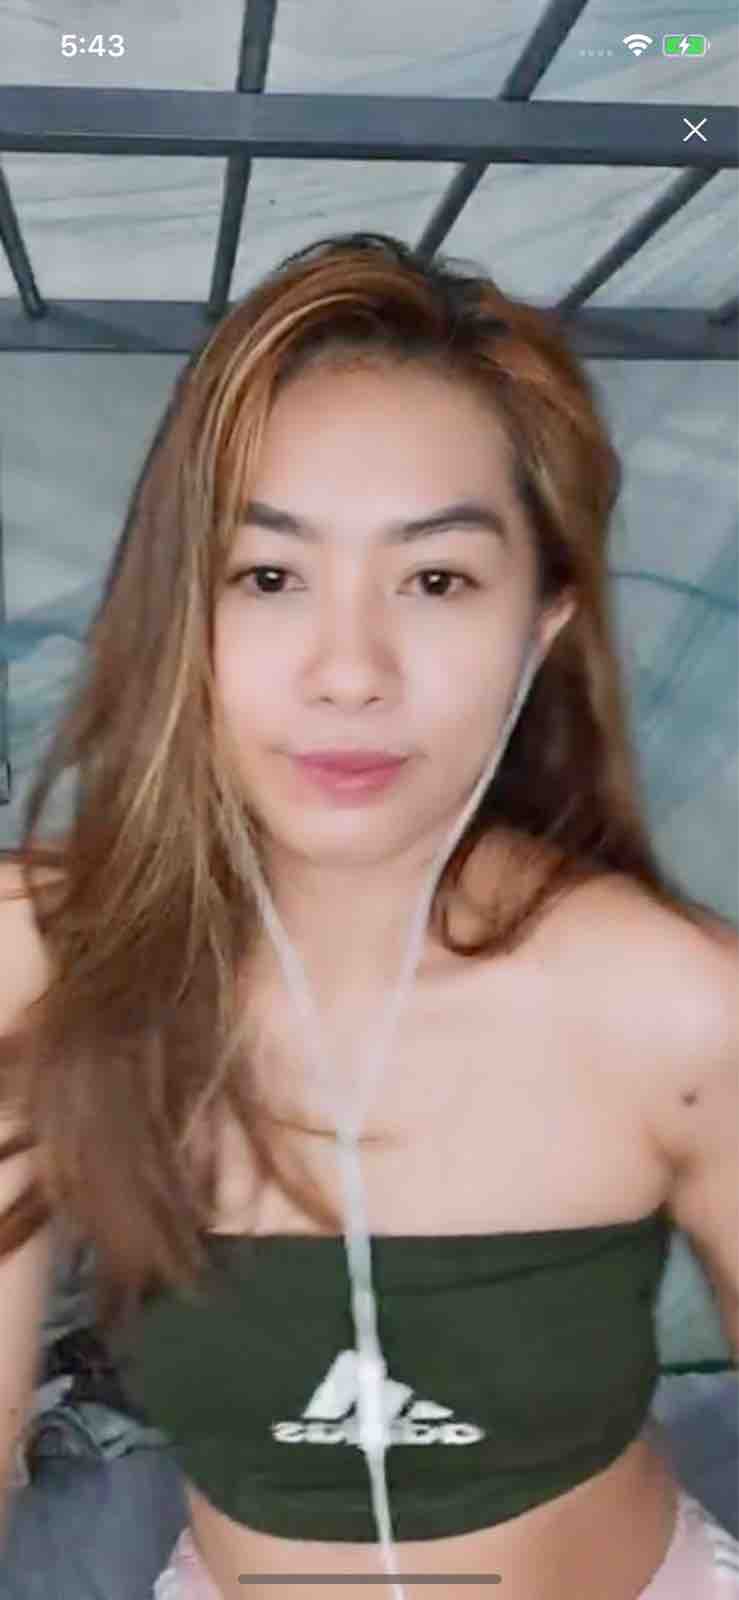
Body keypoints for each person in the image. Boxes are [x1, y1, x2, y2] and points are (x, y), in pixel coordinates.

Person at [0, 231, 737, 1600]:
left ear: (542, 623)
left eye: (437, 579)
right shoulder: (37, 964)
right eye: (268, 575)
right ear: (181, 614)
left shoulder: (679, 1004)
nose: (350, 673)